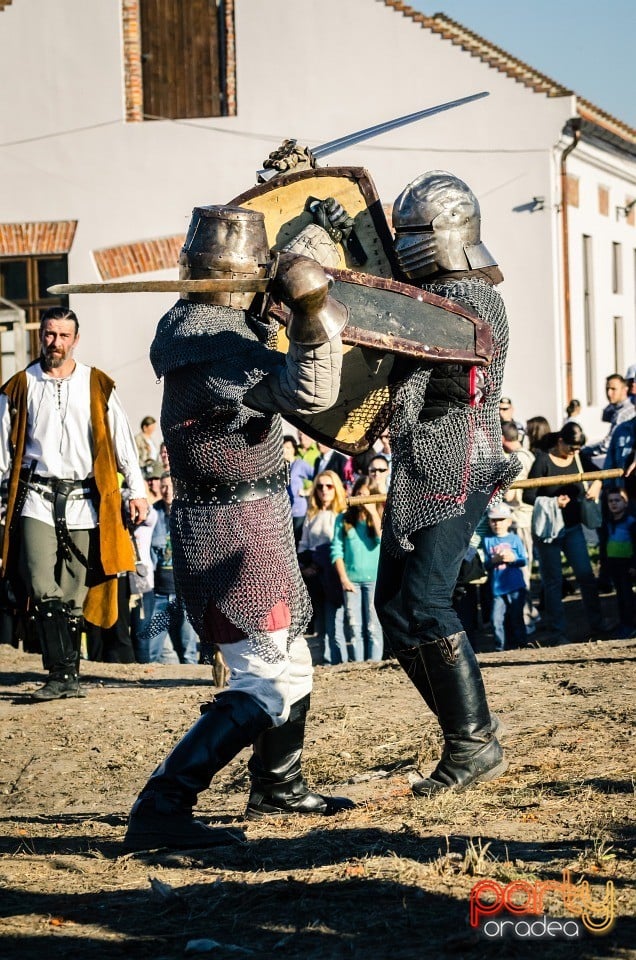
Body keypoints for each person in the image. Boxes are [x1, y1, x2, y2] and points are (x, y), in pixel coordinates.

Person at [124, 205, 354, 852]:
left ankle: (279, 785)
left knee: (294, 664)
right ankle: (163, 805)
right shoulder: (216, 355)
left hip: (246, 519)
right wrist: (310, 307)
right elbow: (309, 392)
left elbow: (267, 312)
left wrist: (312, 249)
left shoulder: (194, 326)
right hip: (232, 533)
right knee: (263, 678)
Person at [373, 170, 519, 795]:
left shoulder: (471, 297)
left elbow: (415, 337)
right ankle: (468, 730)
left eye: (414, 232)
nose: (405, 243)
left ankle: (472, 743)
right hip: (418, 463)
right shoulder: (425, 298)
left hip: (459, 458)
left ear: (447, 233)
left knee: (426, 604)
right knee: (394, 609)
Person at [0, 306, 147, 700]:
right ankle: (59, 675)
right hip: (36, 498)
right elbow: (1, 452)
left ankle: (67, 676)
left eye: (64, 336)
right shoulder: (20, 385)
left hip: (85, 499)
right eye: (49, 334)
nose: (55, 343)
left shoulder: (95, 384)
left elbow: (121, 441)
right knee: (40, 582)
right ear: (40, 335)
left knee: (73, 591)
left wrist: (137, 489)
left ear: (76, 340)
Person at [523, 422, 604, 645]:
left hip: (572, 528)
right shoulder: (543, 460)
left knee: (586, 576)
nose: (575, 452)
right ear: (560, 442)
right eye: (571, 448)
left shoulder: (579, 458)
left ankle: (598, 625)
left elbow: (598, 473)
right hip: (549, 531)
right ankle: (557, 632)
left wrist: (596, 483)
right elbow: (527, 496)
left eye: (578, 448)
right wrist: (553, 502)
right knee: (553, 581)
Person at [145, 472, 199, 665]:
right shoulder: (153, 514)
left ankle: (191, 691)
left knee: (188, 651)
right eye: (164, 486)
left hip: (184, 592)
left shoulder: (190, 514)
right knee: (152, 653)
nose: (167, 491)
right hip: (159, 592)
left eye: (171, 486)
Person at [297, 470, 349, 665]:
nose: (324, 490)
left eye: (329, 486)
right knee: (320, 621)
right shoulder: (312, 514)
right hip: (316, 573)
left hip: (336, 573)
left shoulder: (342, 513)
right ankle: (325, 660)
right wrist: (304, 568)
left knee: (336, 621)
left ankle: (339, 661)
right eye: (320, 486)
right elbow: (303, 545)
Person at [332, 475, 383, 661]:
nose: (362, 499)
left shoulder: (378, 518)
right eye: (360, 494)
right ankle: (358, 664)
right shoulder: (343, 519)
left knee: (373, 625)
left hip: (374, 578)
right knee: (354, 625)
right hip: (352, 579)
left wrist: (373, 513)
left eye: (367, 495)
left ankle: (374, 663)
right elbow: (336, 550)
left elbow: (380, 540)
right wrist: (344, 579)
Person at [501, 422, 540, 630]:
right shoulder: (529, 455)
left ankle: (526, 618)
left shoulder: (515, 460)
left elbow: (510, 494)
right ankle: (532, 611)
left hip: (520, 518)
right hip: (528, 517)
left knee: (521, 569)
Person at [482, 503, 528, 651]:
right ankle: (499, 648)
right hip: (497, 589)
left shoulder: (514, 539)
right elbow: (486, 564)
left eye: (501, 520)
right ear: (489, 522)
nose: (497, 524)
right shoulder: (487, 540)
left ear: (508, 521)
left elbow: (523, 560)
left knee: (516, 617)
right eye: (493, 520)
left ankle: (522, 645)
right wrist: (493, 561)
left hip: (516, 586)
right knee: (496, 620)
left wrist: (512, 558)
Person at [602, 486, 636, 638]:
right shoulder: (607, 523)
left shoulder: (631, 523)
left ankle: (630, 625)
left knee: (628, 597)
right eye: (610, 501)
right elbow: (604, 546)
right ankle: (625, 624)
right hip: (614, 565)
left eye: (617, 500)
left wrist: (634, 564)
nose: (614, 503)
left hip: (628, 566)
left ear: (626, 502)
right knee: (621, 597)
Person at [583, 374, 635, 468]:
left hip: (621, 470)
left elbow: (606, 445)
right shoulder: (616, 409)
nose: (609, 393)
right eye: (607, 389)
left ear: (625, 389)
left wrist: (583, 450)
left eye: (613, 389)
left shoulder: (622, 414)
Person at [283, 434, 314, 545]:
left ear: (294, 449)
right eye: (282, 448)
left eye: (288, 447)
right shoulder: (279, 467)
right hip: (284, 511)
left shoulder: (299, 464)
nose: (284, 450)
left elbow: (318, 476)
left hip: (298, 510)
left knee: (296, 541)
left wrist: (307, 491)